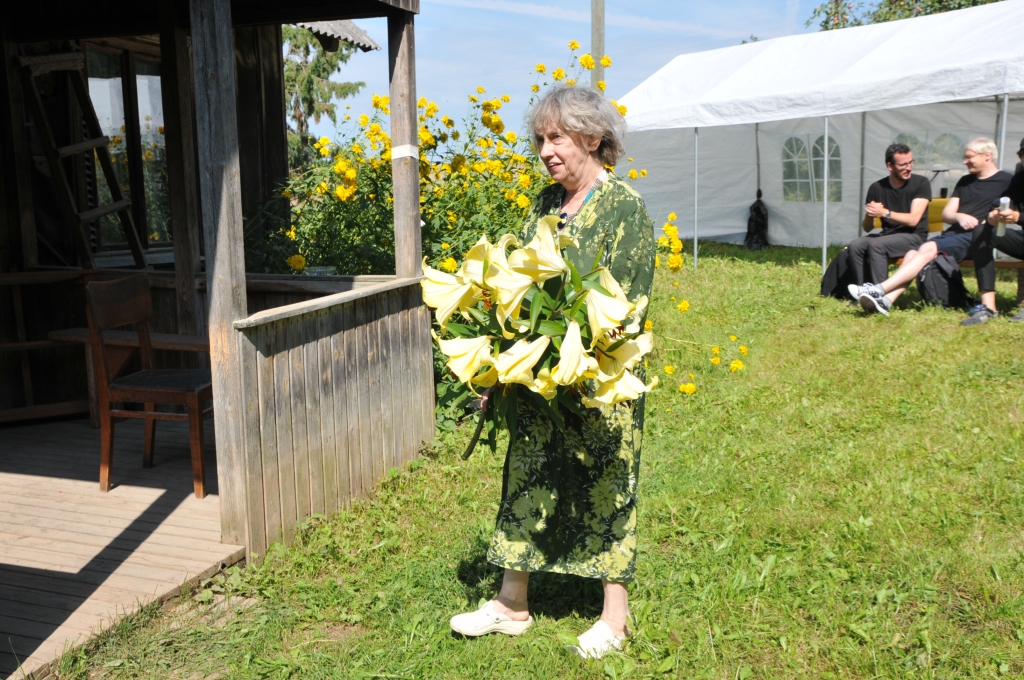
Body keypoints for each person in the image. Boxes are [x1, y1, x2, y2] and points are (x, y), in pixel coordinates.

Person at [448, 86, 656, 659]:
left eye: (556, 137)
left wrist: (581, 353)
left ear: (592, 138)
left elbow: (630, 302)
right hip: (541, 372)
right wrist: (504, 360)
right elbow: (521, 279)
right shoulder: (546, 202)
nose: (545, 150)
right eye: (540, 138)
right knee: (528, 472)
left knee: (608, 480)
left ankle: (616, 617)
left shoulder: (624, 208)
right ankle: (513, 604)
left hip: (602, 374)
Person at [857, 137, 1012, 324]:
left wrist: (993, 218)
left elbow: (1011, 211)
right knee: (913, 254)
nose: (965, 161)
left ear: (987, 156)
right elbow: (947, 213)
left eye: (969, 157)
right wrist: (960, 216)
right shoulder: (965, 181)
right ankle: (887, 301)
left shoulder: (1007, 181)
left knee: (928, 247)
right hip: (954, 235)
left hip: (979, 238)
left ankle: (879, 289)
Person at [845, 143, 931, 295]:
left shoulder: (921, 183)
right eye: (903, 164)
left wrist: (885, 213)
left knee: (877, 244)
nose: (909, 168)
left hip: (915, 236)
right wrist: (869, 215)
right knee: (855, 245)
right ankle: (863, 290)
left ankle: (879, 294)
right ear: (890, 166)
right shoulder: (877, 188)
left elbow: (913, 220)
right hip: (888, 236)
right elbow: (867, 228)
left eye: (911, 162)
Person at [983, 137, 1024, 322]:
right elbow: (1005, 199)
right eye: (1023, 155)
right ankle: (988, 306)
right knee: (983, 230)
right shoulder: (1020, 179)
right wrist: (996, 212)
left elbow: (1018, 215)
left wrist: (1018, 217)